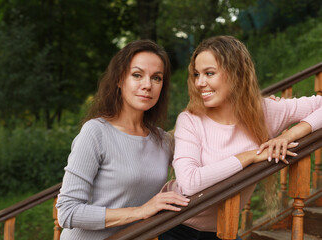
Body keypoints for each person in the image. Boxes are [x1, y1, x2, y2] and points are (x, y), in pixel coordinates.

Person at [159, 35, 322, 240]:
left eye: (209, 73)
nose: (200, 83)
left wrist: (289, 135)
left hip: (224, 229)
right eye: (196, 74)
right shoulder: (190, 120)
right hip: (174, 226)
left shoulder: (265, 111)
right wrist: (250, 157)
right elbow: (190, 183)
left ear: (236, 73)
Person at [56, 40, 190, 240]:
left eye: (156, 78)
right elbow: (67, 212)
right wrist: (140, 211)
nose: (147, 85)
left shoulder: (163, 140)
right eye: (137, 75)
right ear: (119, 79)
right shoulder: (96, 132)